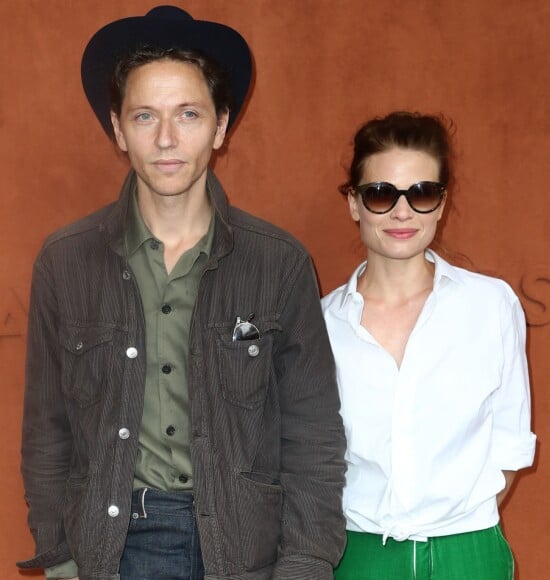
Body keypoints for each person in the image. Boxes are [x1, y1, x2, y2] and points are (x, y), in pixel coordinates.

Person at [18, 6, 346, 580]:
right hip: (115, 550)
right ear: (118, 129)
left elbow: (312, 434)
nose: (167, 139)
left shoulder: (279, 263)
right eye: (145, 116)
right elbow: (47, 431)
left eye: (188, 114)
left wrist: (306, 566)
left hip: (247, 551)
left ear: (220, 127)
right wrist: (63, 562)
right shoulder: (65, 262)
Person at [322, 111, 536, 580]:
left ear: (440, 204)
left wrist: (452, 529)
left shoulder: (491, 305)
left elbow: (509, 444)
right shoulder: (321, 325)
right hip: (357, 556)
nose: (402, 212)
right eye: (380, 194)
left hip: (469, 553)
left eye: (421, 193)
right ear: (354, 204)